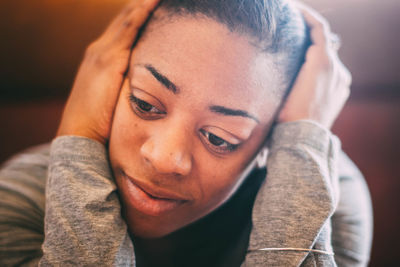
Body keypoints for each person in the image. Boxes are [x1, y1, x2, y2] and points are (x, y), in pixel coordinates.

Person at [0, 0, 373, 266]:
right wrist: (79, 132)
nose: (165, 158)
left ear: (271, 145)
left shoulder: (322, 199)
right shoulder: (20, 201)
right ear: (104, 86)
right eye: (145, 104)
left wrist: (302, 148)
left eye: (219, 137)